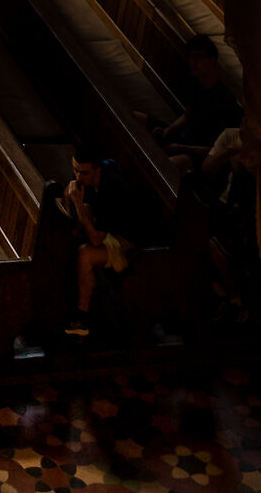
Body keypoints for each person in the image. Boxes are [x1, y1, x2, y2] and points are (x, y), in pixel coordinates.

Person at [59, 146, 140, 336]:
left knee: (86, 254)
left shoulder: (111, 188)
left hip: (129, 243)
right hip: (112, 230)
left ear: (98, 170)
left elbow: (96, 240)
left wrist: (77, 203)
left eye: (84, 173)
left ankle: (82, 319)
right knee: (80, 217)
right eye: (75, 170)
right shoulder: (103, 169)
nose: (78, 177)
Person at [154, 34, 241, 165]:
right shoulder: (195, 85)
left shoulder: (224, 100)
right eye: (191, 57)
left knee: (169, 164)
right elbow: (187, 115)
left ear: (212, 60)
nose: (193, 62)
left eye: (199, 57)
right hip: (184, 140)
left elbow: (215, 149)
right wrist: (168, 131)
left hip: (199, 154)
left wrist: (181, 148)